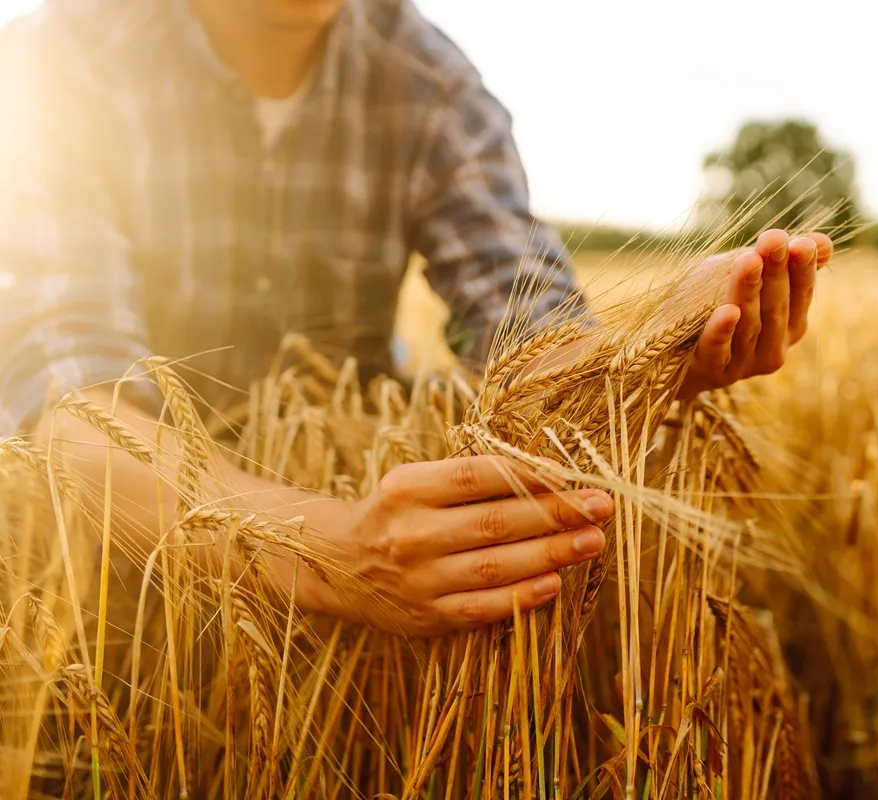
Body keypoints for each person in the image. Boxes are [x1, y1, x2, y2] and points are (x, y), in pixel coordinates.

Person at [0, 0, 833, 637]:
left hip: (352, 610)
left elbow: (525, 332)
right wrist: (329, 554)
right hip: (93, 592)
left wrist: (659, 350)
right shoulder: (55, 64)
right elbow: (71, 409)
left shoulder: (428, 80)